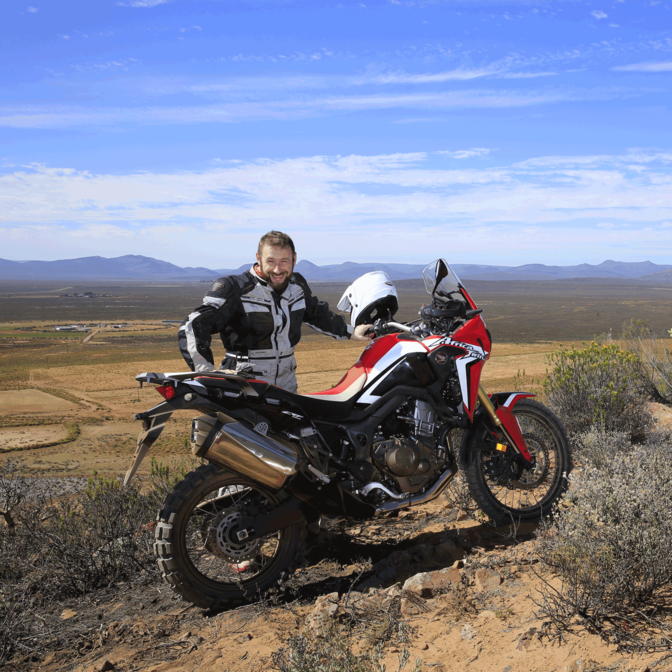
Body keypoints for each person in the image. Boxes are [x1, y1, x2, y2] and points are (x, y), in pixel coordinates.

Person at [178, 231, 372, 392]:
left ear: (294, 259)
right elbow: (194, 325)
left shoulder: (296, 285)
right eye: (271, 261)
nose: (278, 269)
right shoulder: (234, 288)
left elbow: (316, 314)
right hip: (244, 385)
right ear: (258, 259)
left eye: (284, 261)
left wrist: (350, 332)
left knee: (291, 437)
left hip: (286, 385)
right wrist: (205, 372)